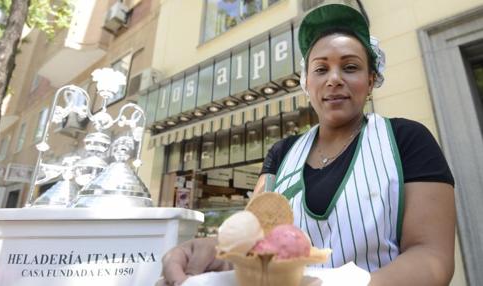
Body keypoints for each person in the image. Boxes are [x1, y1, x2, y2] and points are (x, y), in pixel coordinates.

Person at [159, 1, 456, 285]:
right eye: (321, 69)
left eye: (350, 67)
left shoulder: (405, 140)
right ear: (306, 83)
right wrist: (214, 253)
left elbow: (431, 256)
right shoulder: (282, 153)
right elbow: (255, 247)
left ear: (371, 80)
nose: (334, 79)